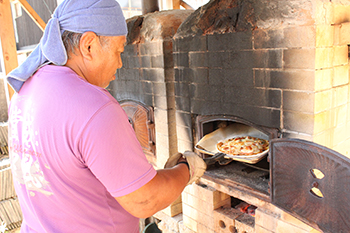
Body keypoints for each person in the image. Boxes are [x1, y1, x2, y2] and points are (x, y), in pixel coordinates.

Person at [6, 0, 206, 232]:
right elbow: (145, 200)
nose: (120, 63)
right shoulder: (93, 107)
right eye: (118, 51)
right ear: (88, 45)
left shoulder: (24, 92)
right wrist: (185, 169)